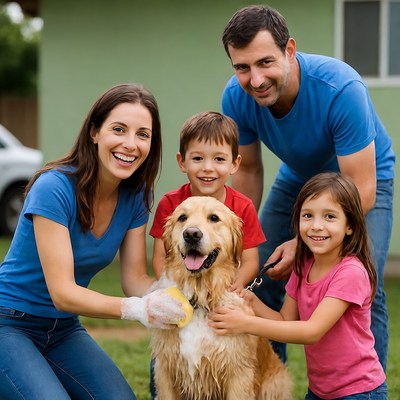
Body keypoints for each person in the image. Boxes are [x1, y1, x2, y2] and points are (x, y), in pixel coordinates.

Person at [220, 4, 395, 370]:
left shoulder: (340, 87)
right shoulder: (236, 98)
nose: (255, 79)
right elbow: (249, 171)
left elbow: (360, 188)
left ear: (289, 50)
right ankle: (271, 385)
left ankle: (367, 387)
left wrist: (303, 241)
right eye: (242, 67)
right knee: (260, 269)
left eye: (265, 62)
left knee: (366, 282)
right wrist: (240, 237)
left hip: (362, 181)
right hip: (299, 177)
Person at [0, 83, 188, 400]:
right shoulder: (54, 188)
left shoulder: (135, 196)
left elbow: (133, 279)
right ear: (94, 132)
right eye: (119, 129)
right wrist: (138, 309)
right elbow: (62, 293)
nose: (131, 144)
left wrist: (173, 296)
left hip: (62, 330)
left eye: (143, 134)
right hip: (9, 323)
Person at [209, 172, 387, 400]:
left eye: (330, 217)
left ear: (350, 225)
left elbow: (311, 331)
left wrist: (245, 323)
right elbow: (285, 322)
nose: (316, 226)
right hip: (320, 391)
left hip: (360, 392)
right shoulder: (303, 266)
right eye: (308, 216)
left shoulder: (350, 272)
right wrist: (252, 302)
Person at [148, 110, 266, 398]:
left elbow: (250, 259)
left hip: (222, 294)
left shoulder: (242, 207)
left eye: (219, 159)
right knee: (164, 366)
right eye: (198, 158)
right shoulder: (170, 203)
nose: (207, 168)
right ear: (182, 161)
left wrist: (235, 285)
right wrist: (170, 288)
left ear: (235, 163)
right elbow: (162, 256)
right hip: (181, 296)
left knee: (244, 367)